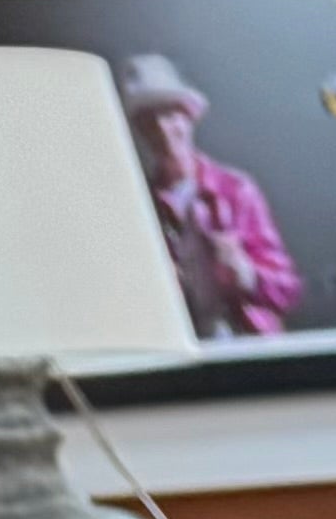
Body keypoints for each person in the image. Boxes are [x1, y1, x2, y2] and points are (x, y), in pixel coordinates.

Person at [115, 50, 302, 340]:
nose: (163, 129)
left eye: (170, 114)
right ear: (139, 132)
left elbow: (288, 290)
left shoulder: (237, 191)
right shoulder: (139, 208)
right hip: (186, 363)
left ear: (189, 118)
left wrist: (245, 274)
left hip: (250, 352)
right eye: (149, 121)